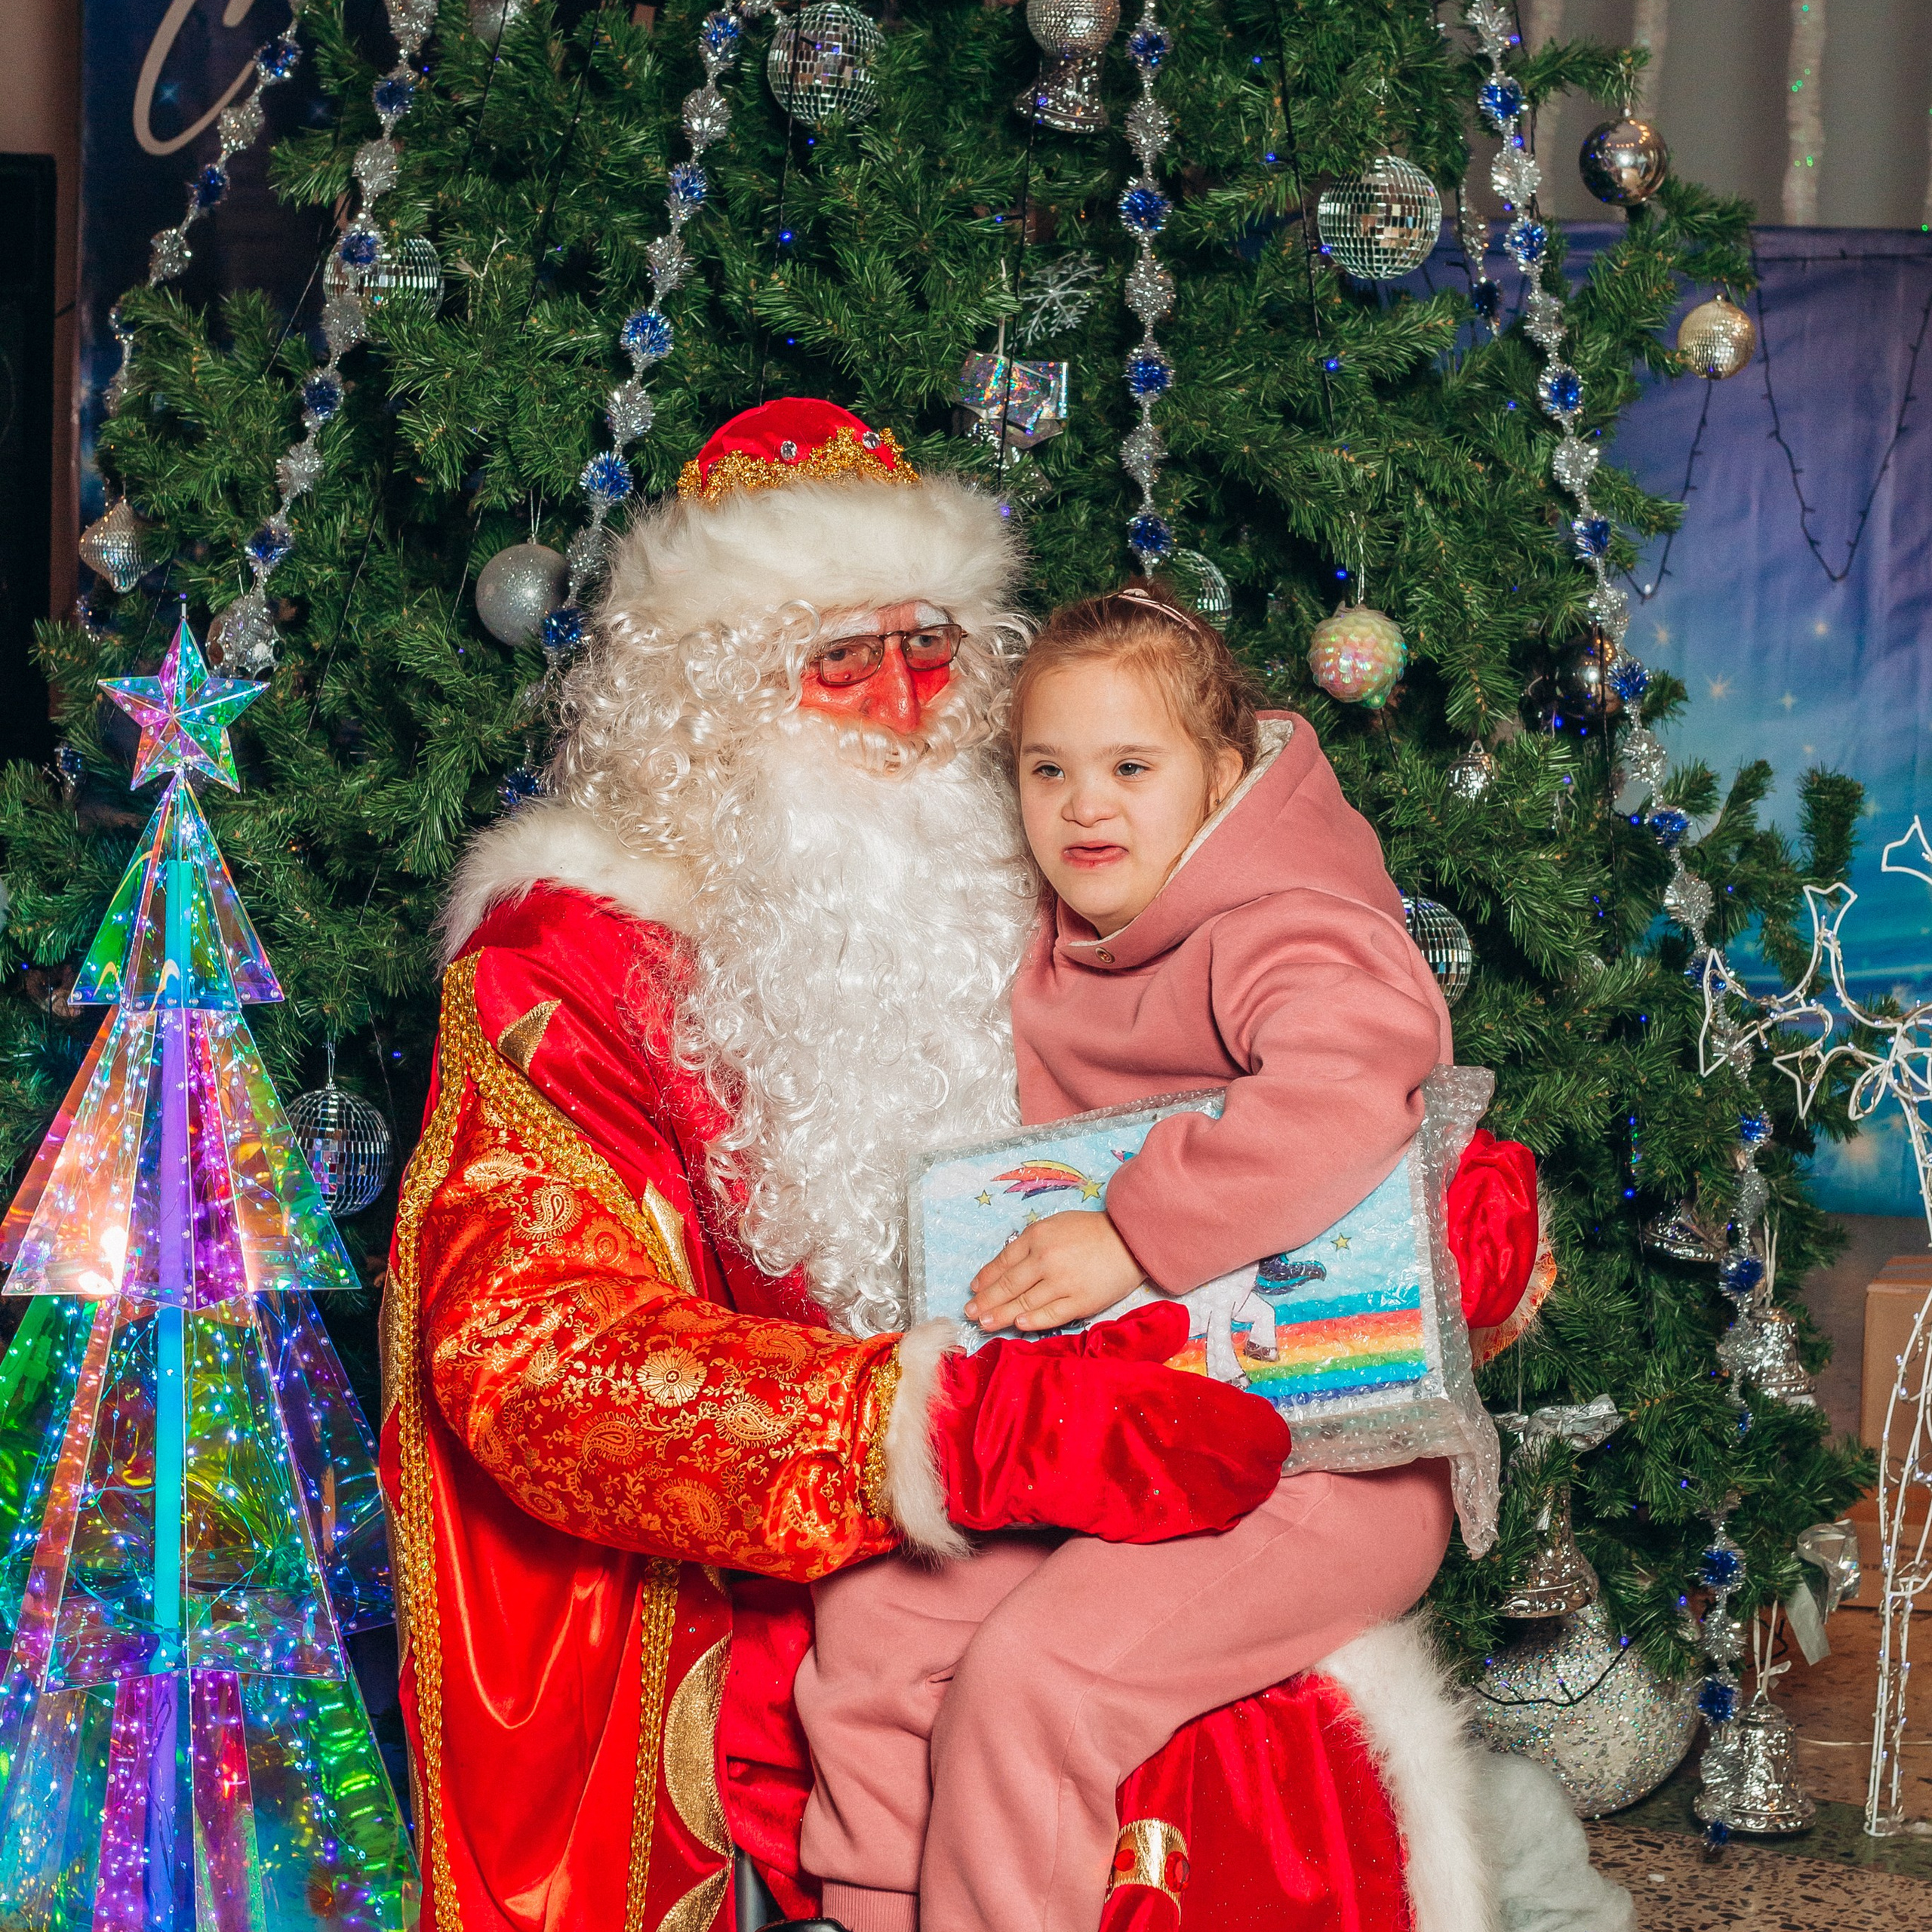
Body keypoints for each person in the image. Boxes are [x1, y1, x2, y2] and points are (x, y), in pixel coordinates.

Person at [384, 402, 1536, 1932]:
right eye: (840, 661)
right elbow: (531, 1363)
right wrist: (952, 1428)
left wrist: (1432, 1231)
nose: (903, 701)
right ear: (711, 697)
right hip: (798, 1554)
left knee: (1204, 1721)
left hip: (1191, 1444)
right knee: (917, 1668)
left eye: (931, 649)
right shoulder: (572, 962)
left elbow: (1296, 1089)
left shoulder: (1056, 858)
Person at [797, 582, 1533, 1932]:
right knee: (878, 1639)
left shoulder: (1289, 924)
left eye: (1133, 768)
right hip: (1135, 1451)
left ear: (1223, 776)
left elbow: (1350, 1080)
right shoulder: (1055, 944)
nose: (1088, 807)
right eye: (1049, 770)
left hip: (1325, 1466)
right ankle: (871, 1913)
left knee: (1041, 1683)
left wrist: (1134, 1234)